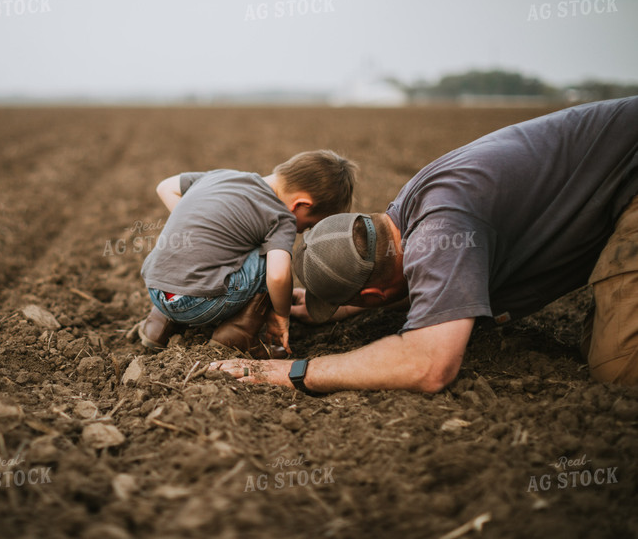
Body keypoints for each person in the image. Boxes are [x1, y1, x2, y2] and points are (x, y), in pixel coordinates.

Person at [210, 96, 638, 392]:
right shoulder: (408, 210)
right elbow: (414, 277)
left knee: (619, 368)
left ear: (375, 293)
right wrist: (337, 306)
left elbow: (429, 365)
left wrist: (291, 372)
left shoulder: (441, 232)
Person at [138, 150, 357, 358]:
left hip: (156, 289)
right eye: (308, 225)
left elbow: (164, 187)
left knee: (198, 257)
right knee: (270, 257)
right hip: (198, 303)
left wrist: (197, 228)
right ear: (301, 204)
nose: (302, 231)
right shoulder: (281, 216)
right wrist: (281, 316)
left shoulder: (220, 176)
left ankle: (158, 326)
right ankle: (238, 333)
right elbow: (278, 276)